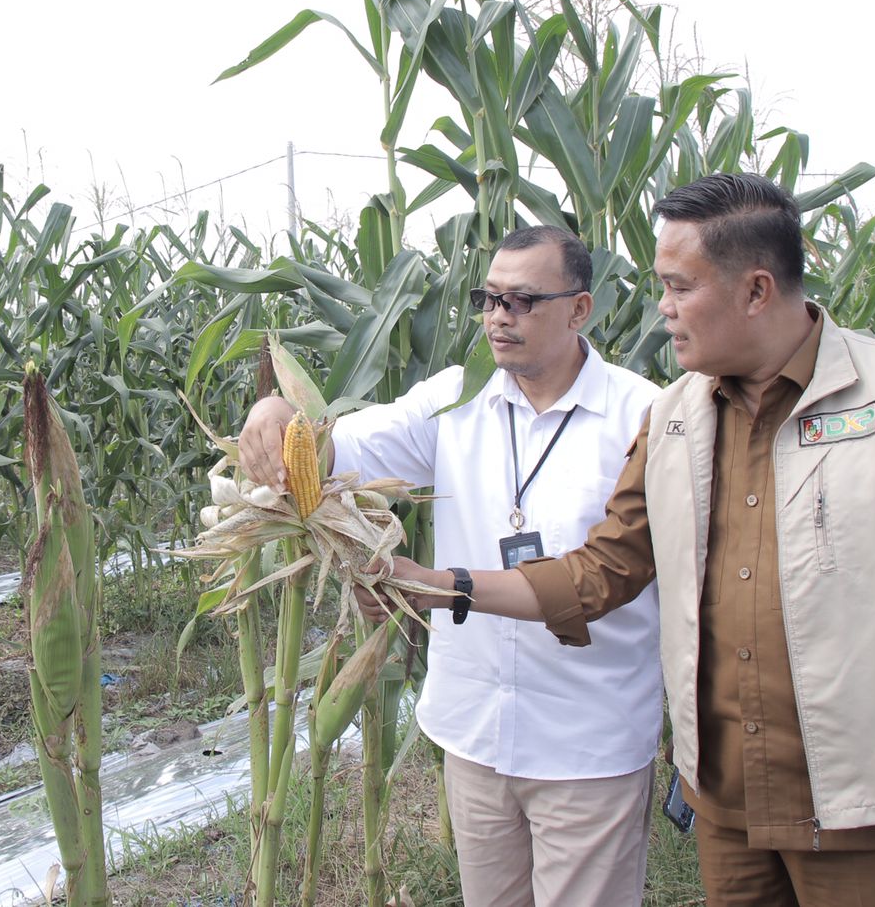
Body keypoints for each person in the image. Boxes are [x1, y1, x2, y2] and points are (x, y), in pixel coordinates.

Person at [364, 174, 875, 907]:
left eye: (679, 287)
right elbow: (602, 571)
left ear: (755, 291)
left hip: (873, 811)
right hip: (732, 808)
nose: (662, 310)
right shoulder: (675, 419)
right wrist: (441, 587)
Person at [242, 226, 663, 907]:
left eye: (524, 300)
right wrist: (275, 411)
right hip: (474, 731)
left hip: (588, 743)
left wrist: (437, 586)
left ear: (580, 309)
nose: (499, 316)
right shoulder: (453, 399)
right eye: (488, 298)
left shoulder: (642, 415)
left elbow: (607, 573)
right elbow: (330, 452)